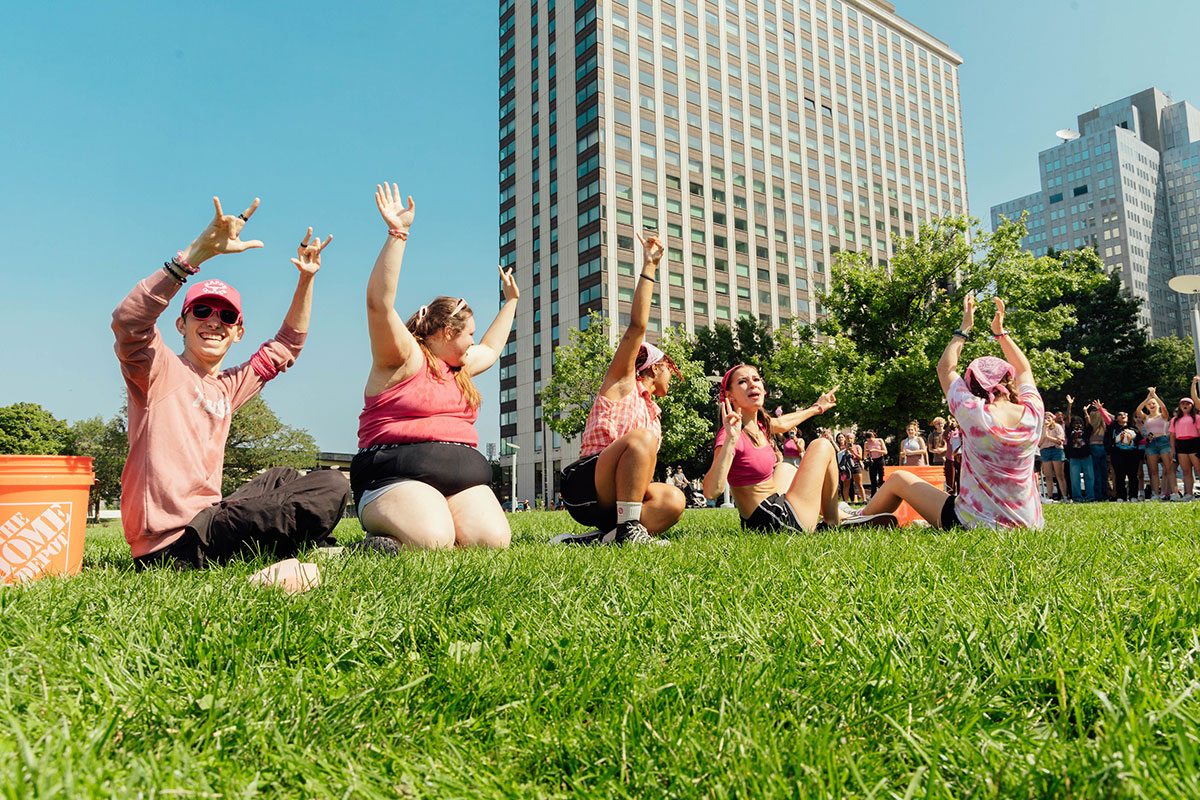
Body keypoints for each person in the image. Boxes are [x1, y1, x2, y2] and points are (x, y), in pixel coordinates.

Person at [113, 197, 349, 569]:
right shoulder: (156, 370)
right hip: (174, 545)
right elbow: (129, 323)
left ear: (238, 332)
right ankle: (312, 549)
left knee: (281, 477)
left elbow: (285, 347)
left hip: (210, 519)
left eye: (225, 316)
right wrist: (193, 256)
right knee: (333, 485)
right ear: (182, 324)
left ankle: (311, 546)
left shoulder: (225, 388)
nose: (213, 321)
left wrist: (306, 279)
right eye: (202, 312)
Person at [350, 183, 519, 551]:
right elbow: (378, 304)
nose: (473, 342)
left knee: (493, 542)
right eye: (468, 334)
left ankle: (432, 514)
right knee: (433, 540)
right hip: (392, 474)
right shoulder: (403, 358)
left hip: (457, 479)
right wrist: (398, 233)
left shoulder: (460, 368)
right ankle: (369, 545)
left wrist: (512, 302)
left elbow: (491, 348)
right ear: (446, 332)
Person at [858, 295, 1044, 530]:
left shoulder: (973, 412)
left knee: (899, 479)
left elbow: (945, 368)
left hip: (974, 522)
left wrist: (964, 327)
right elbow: (1025, 369)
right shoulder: (1034, 411)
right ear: (1009, 378)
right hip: (1029, 523)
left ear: (973, 387)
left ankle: (858, 517)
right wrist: (1000, 332)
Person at [553, 234, 685, 546]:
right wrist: (649, 266)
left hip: (618, 497)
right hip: (585, 485)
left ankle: (597, 540)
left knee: (673, 500)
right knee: (642, 439)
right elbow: (637, 327)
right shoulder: (623, 384)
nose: (672, 375)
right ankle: (629, 531)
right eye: (671, 367)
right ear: (654, 366)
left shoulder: (653, 410)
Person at [703, 365, 896, 532]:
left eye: (756, 379)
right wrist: (730, 439)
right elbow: (711, 492)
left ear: (763, 389)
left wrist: (817, 408)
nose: (753, 384)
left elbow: (783, 422)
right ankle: (833, 522)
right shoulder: (731, 435)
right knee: (822, 445)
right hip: (776, 521)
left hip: (773, 508)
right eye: (743, 382)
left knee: (785, 468)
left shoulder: (759, 425)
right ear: (729, 396)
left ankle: (841, 513)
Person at [1139, 388, 1176, 500]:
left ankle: (1174, 493)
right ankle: (1155, 494)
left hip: (1163, 440)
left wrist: (1154, 395)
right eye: (1149, 404)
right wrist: (1148, 398)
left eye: (1153, 403)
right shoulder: (1146, 417)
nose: (1151, 405)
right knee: (1153, 470)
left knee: (1168, 468)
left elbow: (1164, 407)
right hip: (1151, 442)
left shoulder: (1163, 415)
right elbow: (1138, 409)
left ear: (1157, 405)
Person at [1170, 378, 1200, 501]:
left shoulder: (1196, 417)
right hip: (1181, 444)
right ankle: (1189, 494)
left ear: (1192, 406)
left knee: (1198, 468)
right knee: (1186, 471)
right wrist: (1173, 450)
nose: (1185, 405)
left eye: (1188, 404)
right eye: (1183, 404)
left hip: (1194, 442)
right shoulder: (1175, 419)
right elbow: (1172, 436)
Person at [1064, 396, 1095, 502]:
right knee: (1075, 479)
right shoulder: (1069, 431)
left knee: (1089, 477)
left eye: (1079, 423)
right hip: (1074, 457)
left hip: (1086, 455)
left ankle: (1090, 497)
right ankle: (1077, 498)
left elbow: (1088, 423)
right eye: (1075, 423)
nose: (1078, 425)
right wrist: (1070, 405)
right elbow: (1067, 418)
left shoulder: (1085, 431)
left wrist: (1085, 412)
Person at [1105, 410, 1141, 501]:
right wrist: (1100, 409)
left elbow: (1140, 440)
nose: (1123, 416)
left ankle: (1133, 496)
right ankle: (1121, 496)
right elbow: (1107, 419)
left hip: (1132, 455)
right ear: (1116, 418)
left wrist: (1148, 439)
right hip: (1117, 455)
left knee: (1133, 476)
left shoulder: (1133, 428)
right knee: (1119, 476)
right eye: (1120, 414)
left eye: (1125, 414)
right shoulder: (1113, 427)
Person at [1038, 409, 1067, 502]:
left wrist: (1048, 437)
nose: (1046, 420)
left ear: (1052, 419)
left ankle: (1064, 496)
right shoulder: (1041, 429)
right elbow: (1039, 443)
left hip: (1056, 450)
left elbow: (1060, 440)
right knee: (1048, 475)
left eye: (1048, 418)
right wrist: (1044, 431)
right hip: (1045, 451)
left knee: (1059, 474)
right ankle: (1050, 496)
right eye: (1045, 418)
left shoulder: (1057, 427)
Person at [1087, 400, 1113, 501]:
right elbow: (1113, 418)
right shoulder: (1102, 423)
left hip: (1095, 447)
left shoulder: (1092, 422)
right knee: (1104, 474)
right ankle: (1104, 495)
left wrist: (1100, 410)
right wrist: (1102, 410)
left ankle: (1099, 496)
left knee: (1097, 473)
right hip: (1101, 447)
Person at [863, 430, 886, 497]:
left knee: (882, 477)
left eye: (871, 440)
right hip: (872, 460)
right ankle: (873, 495)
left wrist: (875, 450)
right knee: (873, 479)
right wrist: (867, 454)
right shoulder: (866, 443)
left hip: (880, 459)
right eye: (868, 440)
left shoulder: (879, 440)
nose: (870, 441)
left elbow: (885, 451)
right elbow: (864, 455)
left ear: (874, 437)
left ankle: (883, 493)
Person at [944, 417, 962, 496]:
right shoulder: (949, 433)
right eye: (951, 422)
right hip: (950, 457)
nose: (952, 423)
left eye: (954, 421)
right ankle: (950, 495)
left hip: (961, 456)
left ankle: (961, 494)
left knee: (961, 478)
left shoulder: (960, 432)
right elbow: (944, 436)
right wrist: (949, 426)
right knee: (950, 478)